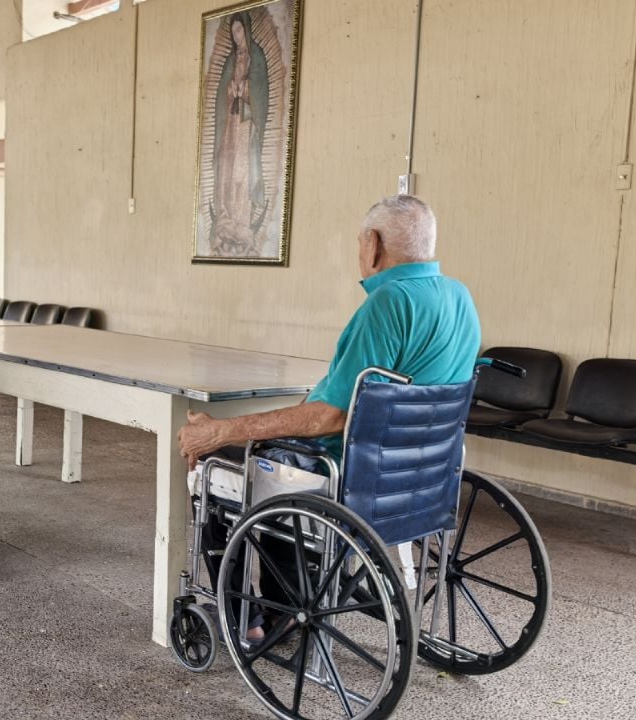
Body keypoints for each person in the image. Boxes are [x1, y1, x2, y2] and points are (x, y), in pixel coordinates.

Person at [179, 195, 482, 637]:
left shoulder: (387, 304)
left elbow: (330, 418)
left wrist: (222, 430)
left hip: (352, 474)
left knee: (217, 466)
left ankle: (252, 620)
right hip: (422, 475)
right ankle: (287, 600)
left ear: (372, 244)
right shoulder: (460, 297)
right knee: (277, 456)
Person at [209, 11, 271, 257]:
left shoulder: (257, 57)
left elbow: (261, 93)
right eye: (232, 32)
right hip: (231, 124)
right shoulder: (230, 62)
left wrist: (245, 90)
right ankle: (226, 218)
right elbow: (221, 98)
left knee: (242, 173)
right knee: (227, 169)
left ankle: (241, 219)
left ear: (246, 29)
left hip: (246, 125)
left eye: (238, 31)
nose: (236, 37)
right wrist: (230, 91)